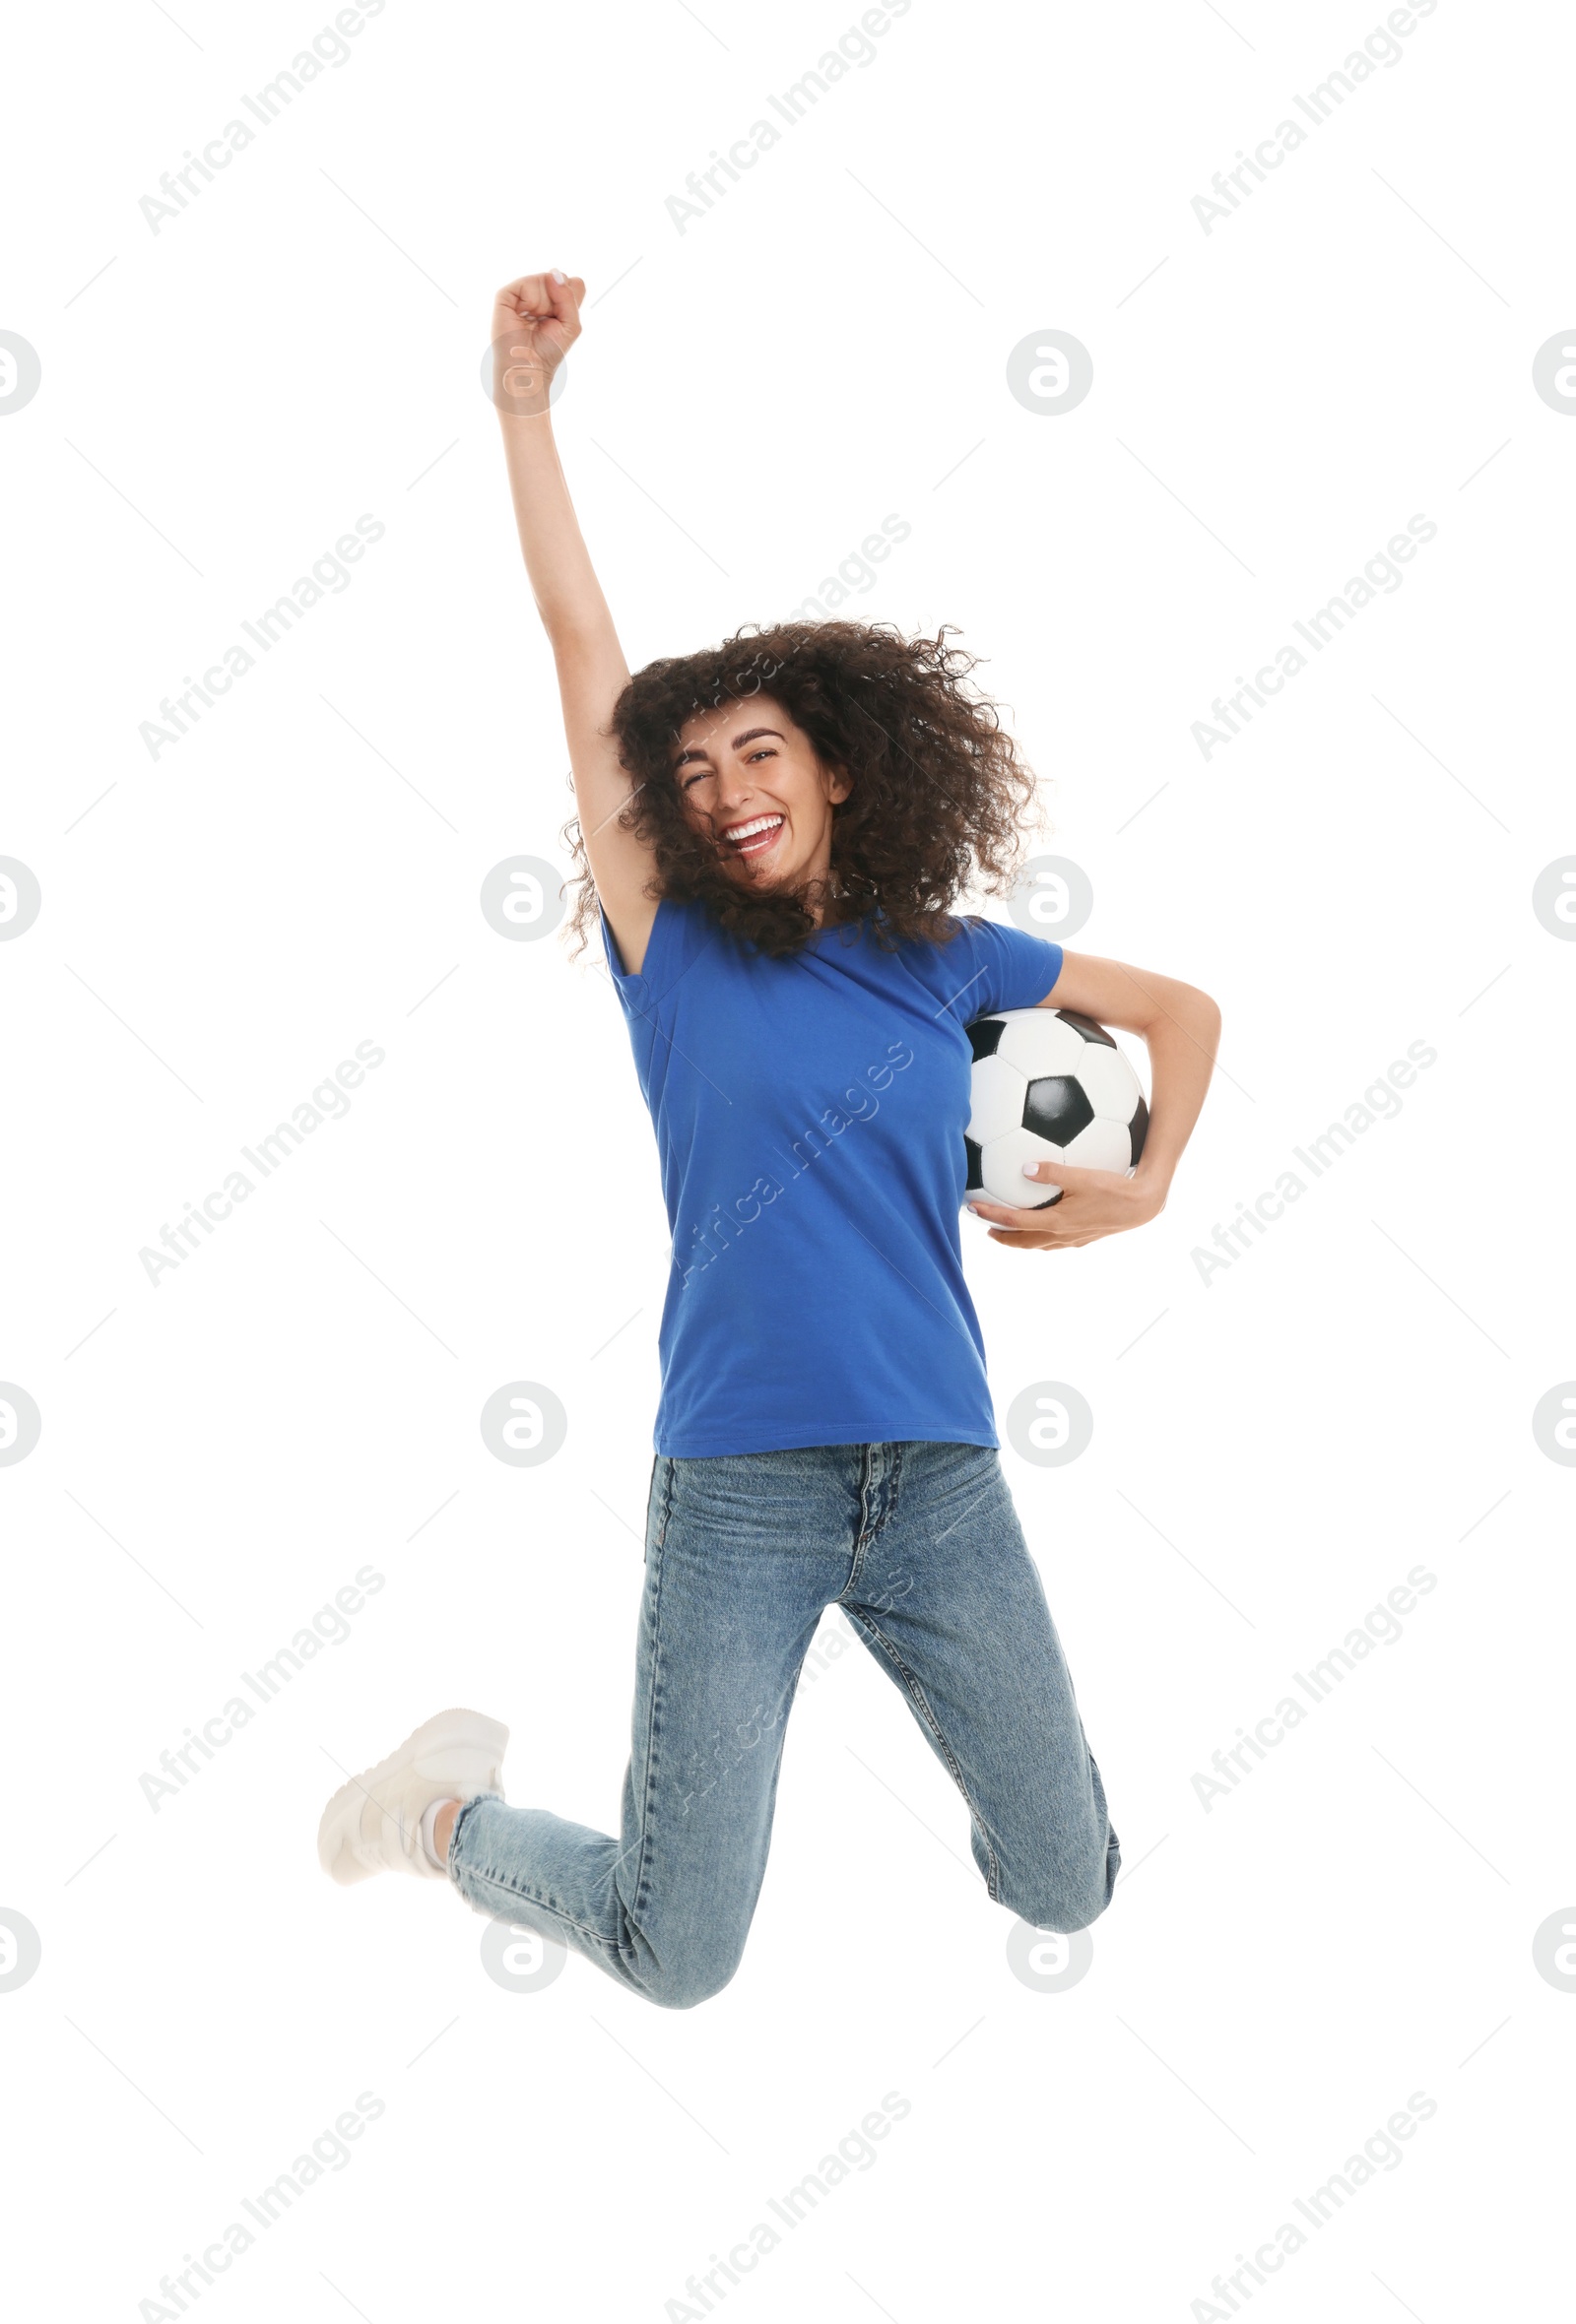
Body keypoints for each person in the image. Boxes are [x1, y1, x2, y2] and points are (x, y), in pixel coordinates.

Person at [316, 270, 1221, 2008]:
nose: (729, 789)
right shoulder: (672, 953)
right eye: (701, 769)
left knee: (1069, 1884)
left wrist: (1144, 1185)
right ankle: (441, 1818)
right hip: (740, 1491)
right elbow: (585, 649)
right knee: (679, 1952)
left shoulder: (945, 955)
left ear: (842, 774)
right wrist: (524, 407)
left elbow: (1184, 1013)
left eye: (765, 754)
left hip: (940, 1480)